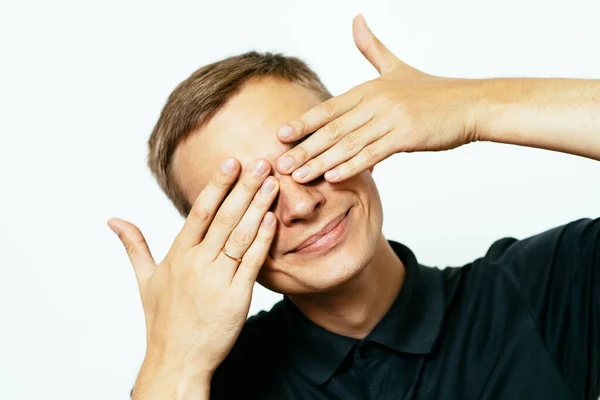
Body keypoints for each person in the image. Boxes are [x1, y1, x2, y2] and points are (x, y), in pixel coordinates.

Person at [107, 14, 600, 400]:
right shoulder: (200, 384)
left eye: (312, 157)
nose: (300, 203)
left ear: (368, 143)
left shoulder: (545, 286)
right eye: (250, 199)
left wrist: (476, 107)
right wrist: (170, 367)